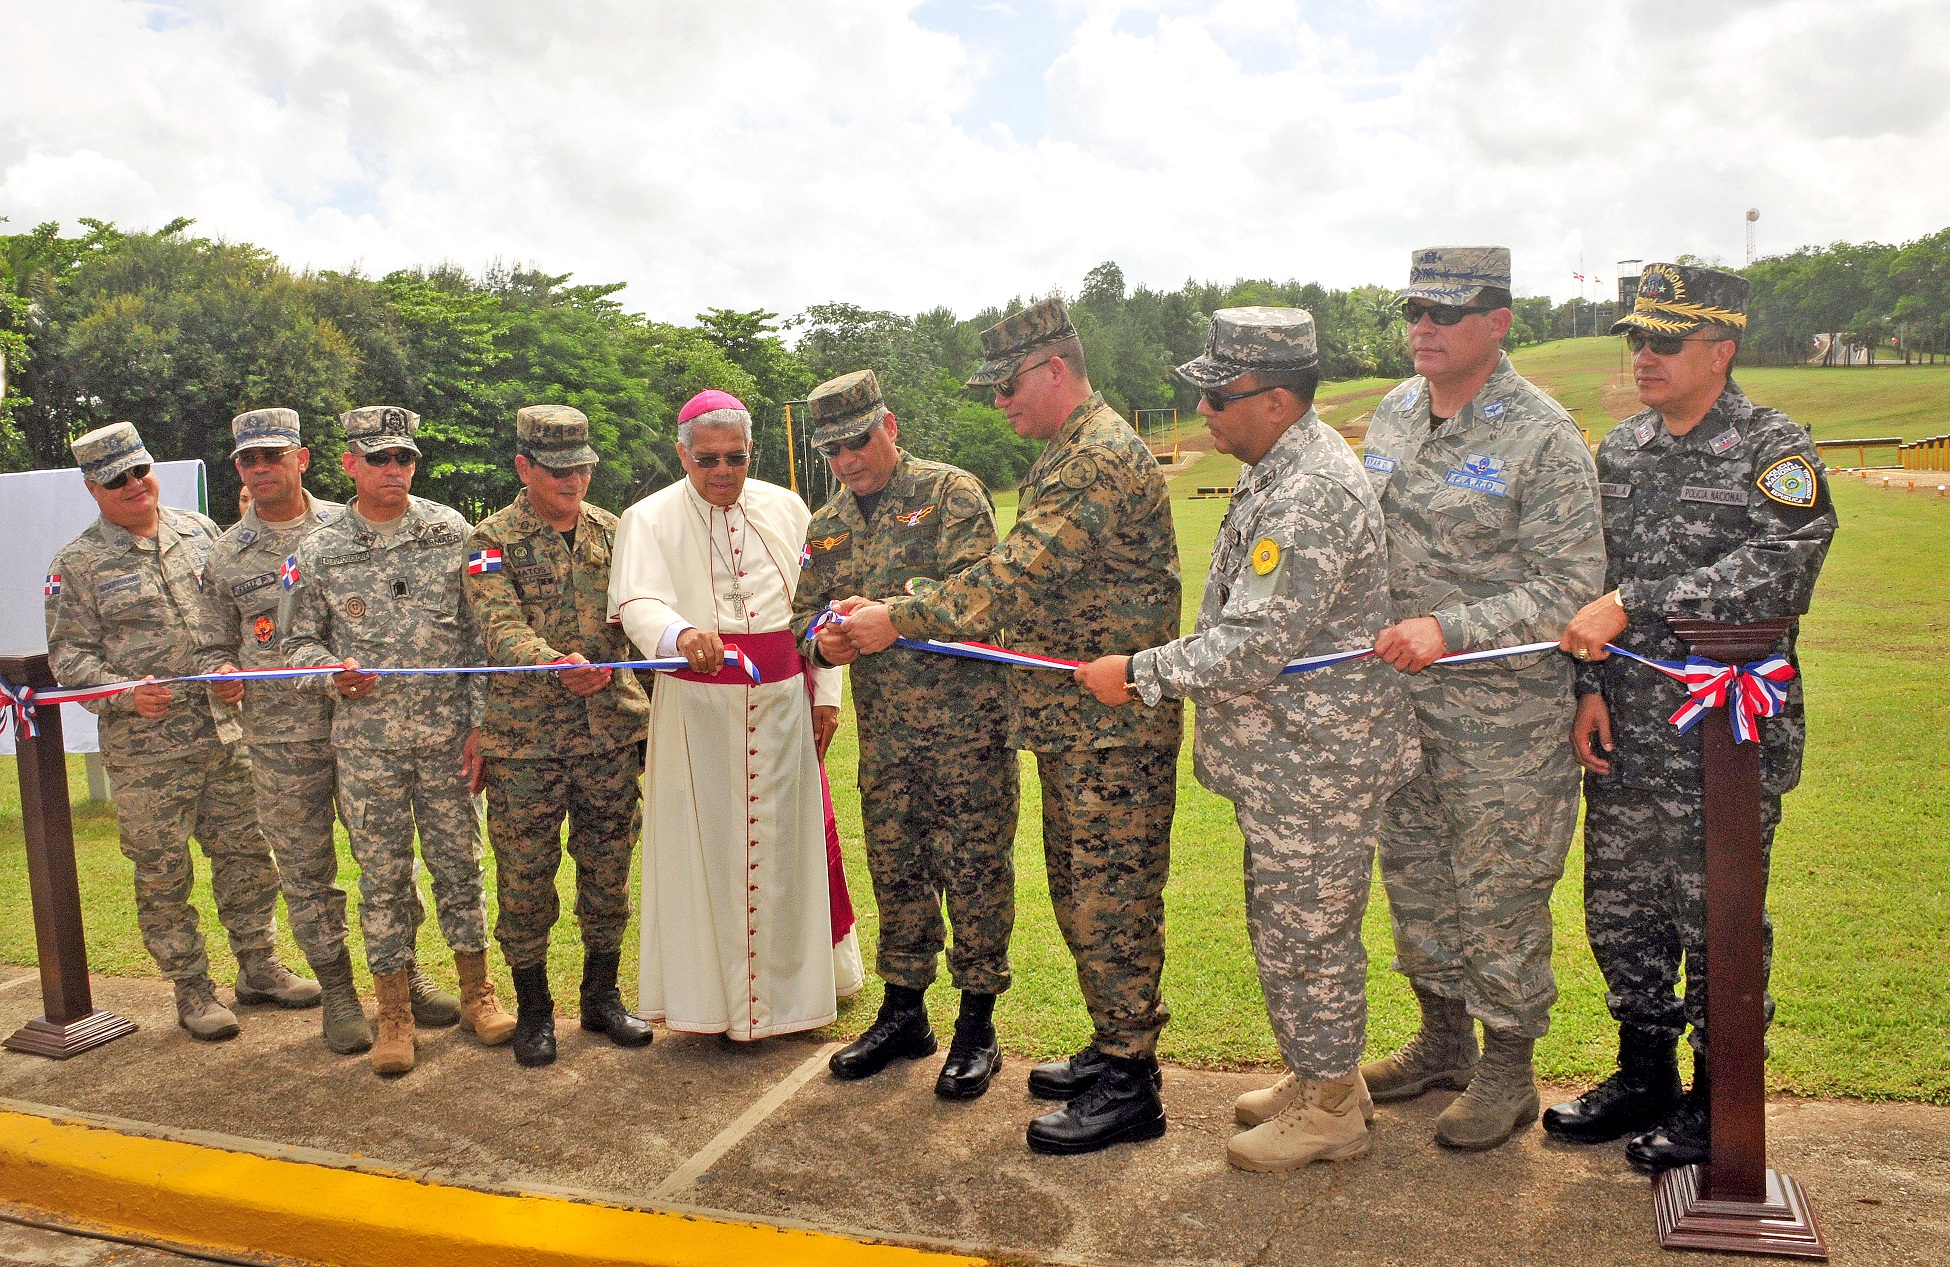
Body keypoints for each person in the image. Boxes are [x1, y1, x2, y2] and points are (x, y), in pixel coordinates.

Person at [837, 298, 1184, 1156]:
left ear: (1054, 370)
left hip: (1112, 730)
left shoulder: (1096, 457)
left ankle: (1132, 1082)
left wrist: (899, 617)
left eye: (1007, 385)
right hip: (1078, 727)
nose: (998, 402)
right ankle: (1114, 1049)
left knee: (1111, 900)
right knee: (1081, 891)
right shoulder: (1067, 453)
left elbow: (1015, 578)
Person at [1077, 309, 1421, 1171]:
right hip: (1291, 760)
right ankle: (1318, 1077)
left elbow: (1255, 644)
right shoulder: (1278, 466)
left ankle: (1334, 1105)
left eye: (1217, 396)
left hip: (1318, 761)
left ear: (1274, 399)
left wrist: (1139, 670)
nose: (1203, 412)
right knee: (1286, 923)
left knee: (1309, 931)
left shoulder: (1309, 491)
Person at [1548, 264, 1836, 1173]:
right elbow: (1585, 586)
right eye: (1636, 337)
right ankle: (1645, 1073)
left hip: (1722, 740)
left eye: (1665, 341)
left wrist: (1640, 601)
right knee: (1620, 908)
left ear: (1722, 348)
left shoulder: (1773, 449)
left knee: (1719, 914)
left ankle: (1723, 1097)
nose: (1644, 355)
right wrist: (1585, 688)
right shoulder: (1621, 450)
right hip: (1628, 725)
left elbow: (1786, 565)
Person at [1357, 246, 1605, 1150]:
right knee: (1417, 881)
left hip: (1504, 719)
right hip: (1402, 709)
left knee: (1498, 894)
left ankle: (1508, 1074)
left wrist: (1449, 627)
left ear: (1498, 323)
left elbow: (1572, 589)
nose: (1423, 325)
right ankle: (1440, 1042)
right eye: (1415, 307)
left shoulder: (1543, 435)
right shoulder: (1390, 411)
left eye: (1446, 310)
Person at [608, 389, 864, 1042]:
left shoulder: (787, 507)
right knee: (707, 854)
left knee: (788, 852)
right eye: (707, 459)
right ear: (682, 453)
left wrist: (827, 693)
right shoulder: (647, 517)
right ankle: (713, 1004)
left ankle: (795, 998)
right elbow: (637, 602)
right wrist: (677, 632)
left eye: (736, 457)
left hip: (783, 703)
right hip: (697, 710)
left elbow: (820, 608)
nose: (722, 472)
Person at [45, 421, 313, 1041]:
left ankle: (259, 968)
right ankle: (192, 989)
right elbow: (70, 662)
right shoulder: (77, 565)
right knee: (164, 872)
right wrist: (125, 693)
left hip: (225, 731)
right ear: (93, 488)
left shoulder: (201, 533)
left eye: (140, 470)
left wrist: (230, 668)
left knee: (248, 855)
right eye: (117, 479)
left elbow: (233, 621)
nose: (135, 485)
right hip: (149, 752)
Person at [792, 369, 1018, 1099]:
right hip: (888, 738)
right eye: (831, 448)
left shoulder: (951, 493)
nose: (847, 459)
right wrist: (820, 642)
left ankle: (977, 1023)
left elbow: (980, 596)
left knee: (975, 873)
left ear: (888, 425)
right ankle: (904, 1012)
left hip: (967, 730)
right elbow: (800, 616)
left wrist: (889, 612)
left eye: (857, 440)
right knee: (897, 869)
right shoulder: (825, 523)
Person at [281, 405, 515, 1076]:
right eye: (378, 458)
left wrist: (478, 724)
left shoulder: (452, 532)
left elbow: (480, 638)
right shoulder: (317, 551)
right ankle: (396, 1015)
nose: (394, 469)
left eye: (404, 458)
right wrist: (329, 674)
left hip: (448, 741)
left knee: (461, 869)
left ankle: (477, 993)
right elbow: (295, 643)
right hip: (368, 747)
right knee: (383, 879)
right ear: (349, 462)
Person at [466, 405, 654, 1068]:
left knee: (608, 871)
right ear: (524, 467)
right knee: (525, 878)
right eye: (556, 470)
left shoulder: (618, 531)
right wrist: (553, 662)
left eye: (581, 468)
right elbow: (499, 626)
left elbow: (644, 613)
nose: (572, 481)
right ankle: (536, 1009)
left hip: (608, 736)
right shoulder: (489, 539)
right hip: (527, 745)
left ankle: (602, 996)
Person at [196, 408, 364, 1053]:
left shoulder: (352, 529)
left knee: (386, 864)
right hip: (279, 739)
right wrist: (220, 672)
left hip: (362, 727)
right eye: (248, 460)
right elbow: (211, 645)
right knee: (305, 868)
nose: (261, 468)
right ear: (238, 468)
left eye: (273, 455)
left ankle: (403, 979)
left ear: (304, 458)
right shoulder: (226, 555)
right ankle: (340, 993)